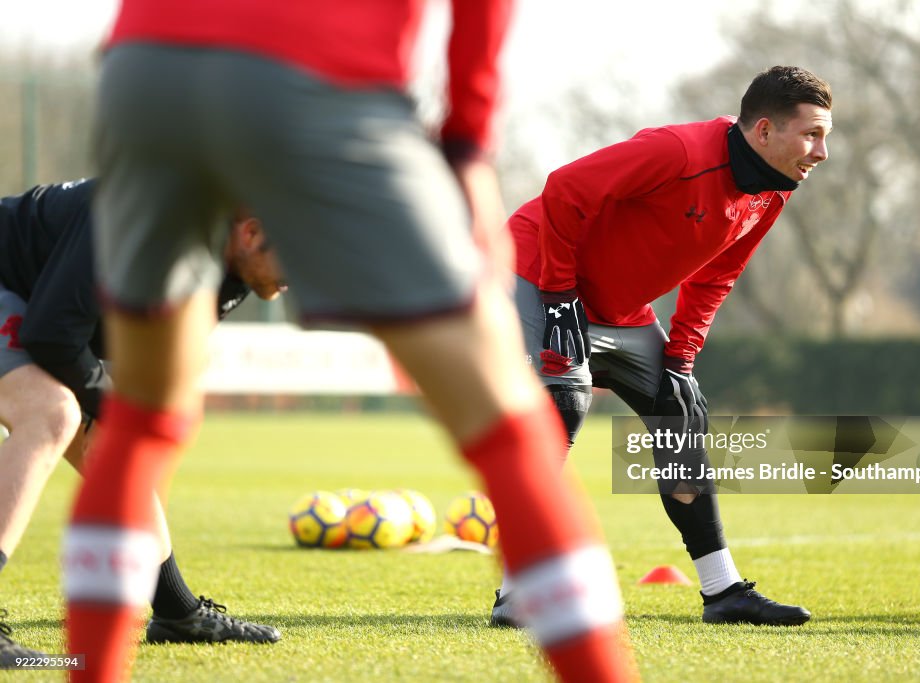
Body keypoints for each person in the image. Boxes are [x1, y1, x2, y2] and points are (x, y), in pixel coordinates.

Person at [63, 2, 636, 682]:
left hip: (148, 69)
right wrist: (469, 144)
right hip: (320, 64)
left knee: (137, 422)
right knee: (511, 429)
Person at [490, 66, 832, 628]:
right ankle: (515, 596)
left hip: (622, 311)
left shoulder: (773, 187)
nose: (821, 151)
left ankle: (723, 593)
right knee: (561, 407)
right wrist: (556, 295)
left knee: (681, 415)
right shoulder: (678, 151)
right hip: (536, 275)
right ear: (765, 130)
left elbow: (718, 274)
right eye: (812, 134)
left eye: (824, 136)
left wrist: (681, 354)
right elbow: (563, 189)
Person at [0, 178, 286, 668]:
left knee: (109, 443)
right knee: (53, 412)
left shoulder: (228, 268)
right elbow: (52, 332)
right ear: (253, 234)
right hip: (18, 291)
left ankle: (177, 613)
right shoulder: (143, 219)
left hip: (33, 300)